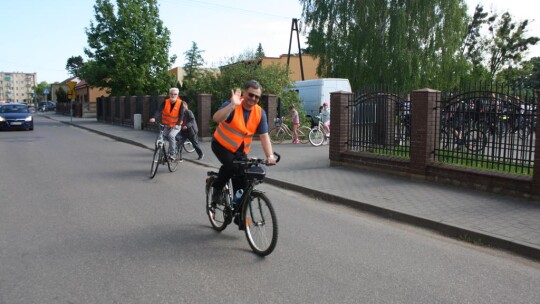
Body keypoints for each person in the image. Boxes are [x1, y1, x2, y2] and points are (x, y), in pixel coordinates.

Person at [211, 80, 277, 207]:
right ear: (244, 93)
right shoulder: (233, 104)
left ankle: (239, 214)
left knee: (244, 178)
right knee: (232, 167)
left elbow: (264, 136)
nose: (253, 98)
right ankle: (217, 189)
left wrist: (270, 156)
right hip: (221, 145)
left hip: (240, 151)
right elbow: (216, 118)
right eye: (250, 95)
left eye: (257, 96)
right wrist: (232, 105)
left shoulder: (259, 112)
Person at [148, 88, 186, 161]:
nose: (173, 95)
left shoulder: (181, 103)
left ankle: (172, 154)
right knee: (161, 137)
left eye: (175, 94)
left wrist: (177, 124)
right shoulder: (165, 102)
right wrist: (154, 118)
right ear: (169, 94)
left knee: (171, 136)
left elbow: (181, 115)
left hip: (176, 126)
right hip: (167, 125)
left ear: (177, 95)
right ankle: (162, 153)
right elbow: (159, 110)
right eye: (171, 94)